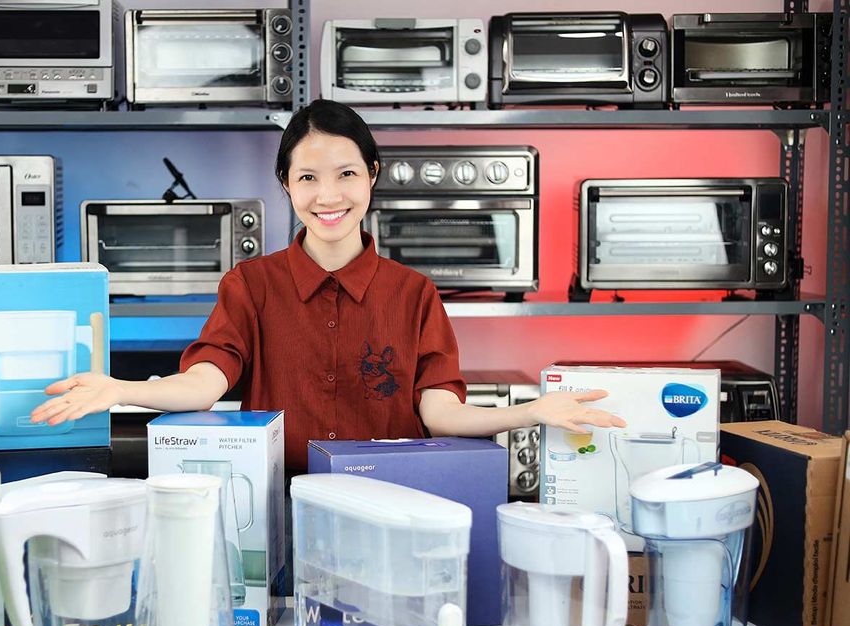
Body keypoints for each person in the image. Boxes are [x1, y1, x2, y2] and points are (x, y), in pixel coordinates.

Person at [31, 99, 625, 471]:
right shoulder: (251, 285)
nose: (329, 195)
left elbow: (441, 413)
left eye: (345, 174)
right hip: (278, 511)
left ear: (372, 175)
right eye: (308, 177)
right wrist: (121, 389)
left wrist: (534, 411)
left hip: (392, 508)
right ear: (286, 185)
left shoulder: (414, 294)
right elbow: (204, 385)